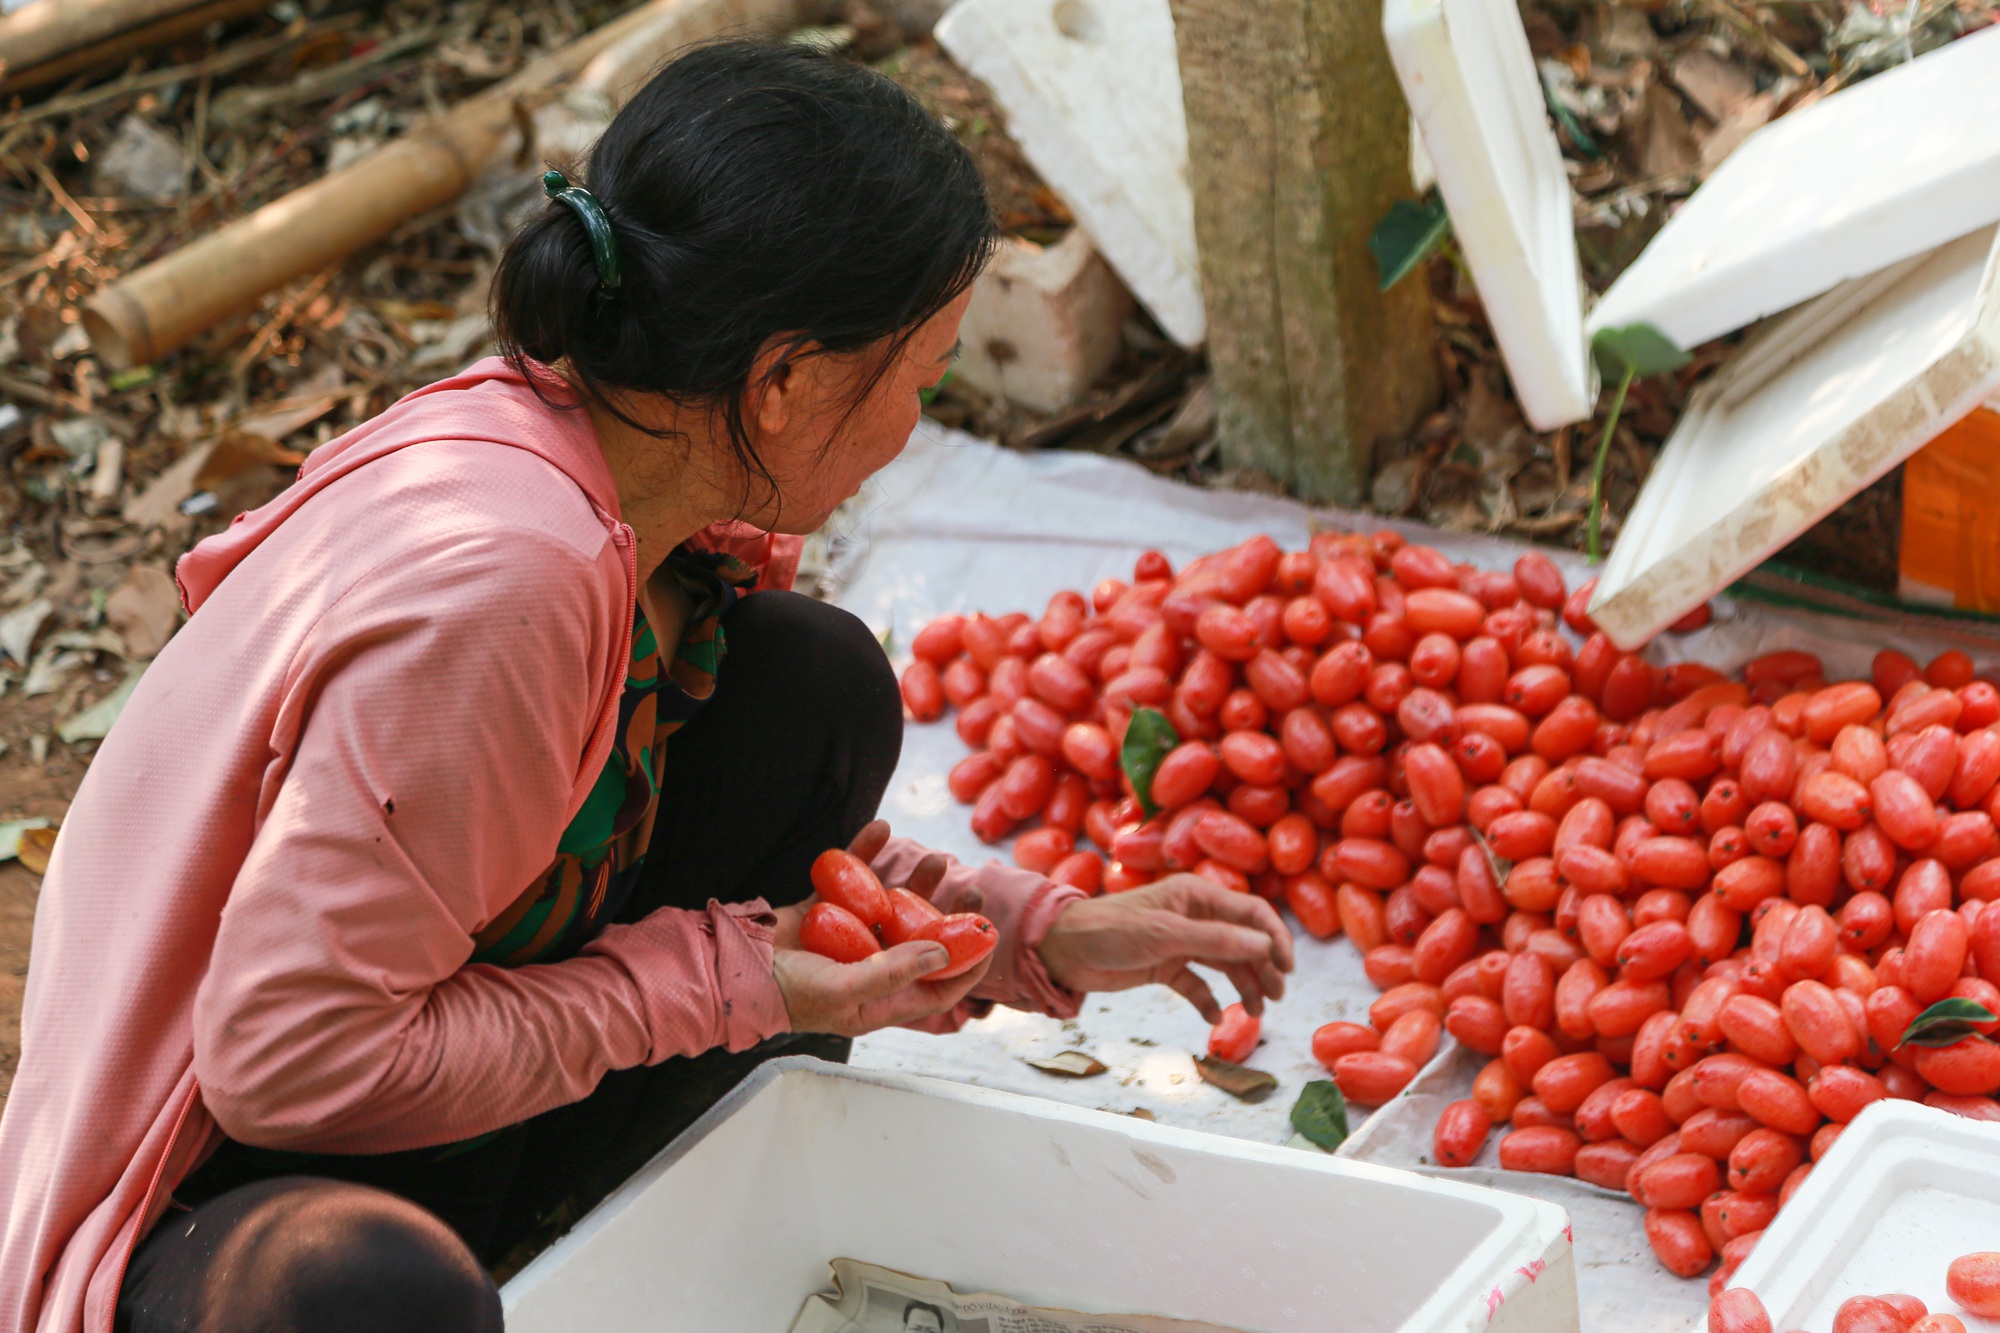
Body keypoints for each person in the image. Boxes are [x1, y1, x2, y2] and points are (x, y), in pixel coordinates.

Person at [0, 40, 1294, 1333]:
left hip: (426, 1090)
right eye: (922, 374)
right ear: (784, 383)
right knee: (368, 1300)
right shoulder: (511, 585)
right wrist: (741, 983)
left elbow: (759, 877)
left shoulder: (637, 507)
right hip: (199, 1195)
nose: (914, 425)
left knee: (814, 688)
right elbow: (286, 1060)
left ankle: (594, 1255)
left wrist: (1033, 931)